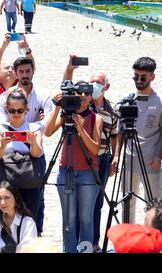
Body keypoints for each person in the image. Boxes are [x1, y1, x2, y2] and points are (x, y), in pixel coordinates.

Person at [63, 55, 118, 252]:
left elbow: (115, 135)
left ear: (106, 87)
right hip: (79, 159)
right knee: (76, 211)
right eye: (91, 83)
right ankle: (77, 244)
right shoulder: (84, 102)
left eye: (98, 83)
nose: (92, 88)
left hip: (101, 158)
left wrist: (116, 157)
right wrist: (69, 69)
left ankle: (91, 244)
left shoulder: (112, 109)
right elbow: (67, 87)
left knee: (95, 206)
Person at [45, 67, 103, 252]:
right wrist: (57, 108)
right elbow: (47, 132)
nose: (84, 96)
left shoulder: (96, 118)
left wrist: (80, 128)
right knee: (68, 219)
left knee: (86, 219)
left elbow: (94, 148)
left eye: (87, 92)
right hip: (66, 170)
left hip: (88, 173)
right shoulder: (66, 114)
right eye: (80, 92)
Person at [114, 57, 161, 224]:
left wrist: (159, 157)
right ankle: (129, 243)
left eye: (143, 77)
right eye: (136, 76)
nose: (139, 80)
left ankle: (153, 243)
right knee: (127, 204)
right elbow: (120, 130)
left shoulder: (159, 102)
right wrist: (116, 156)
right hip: (128, 161)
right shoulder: (128, 100)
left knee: (153, 205)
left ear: (152, 77)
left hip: (151, 162)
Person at [0, 91, 43, 220]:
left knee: (30, 219)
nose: (16, 114)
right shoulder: (0, 128)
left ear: (26, 109)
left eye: (20, 110)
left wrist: (32, 143)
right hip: (7, 181)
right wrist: (2, 146)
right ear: (6, 110)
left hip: (29, 182)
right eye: (11, 110)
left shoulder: (34, 128)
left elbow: (37, 153)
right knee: (7, 218)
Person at [0, 181, 37, 253]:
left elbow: (26, 249)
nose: (2, 202)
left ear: (16, 199)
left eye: (6, 197)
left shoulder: (28, 223)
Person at [0, 33, 33, 108]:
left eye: (13, 68)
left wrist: (27, 50)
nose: (10, 70)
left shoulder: (21, 86)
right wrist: (3, 46)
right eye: (7, 68)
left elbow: (30, 69)